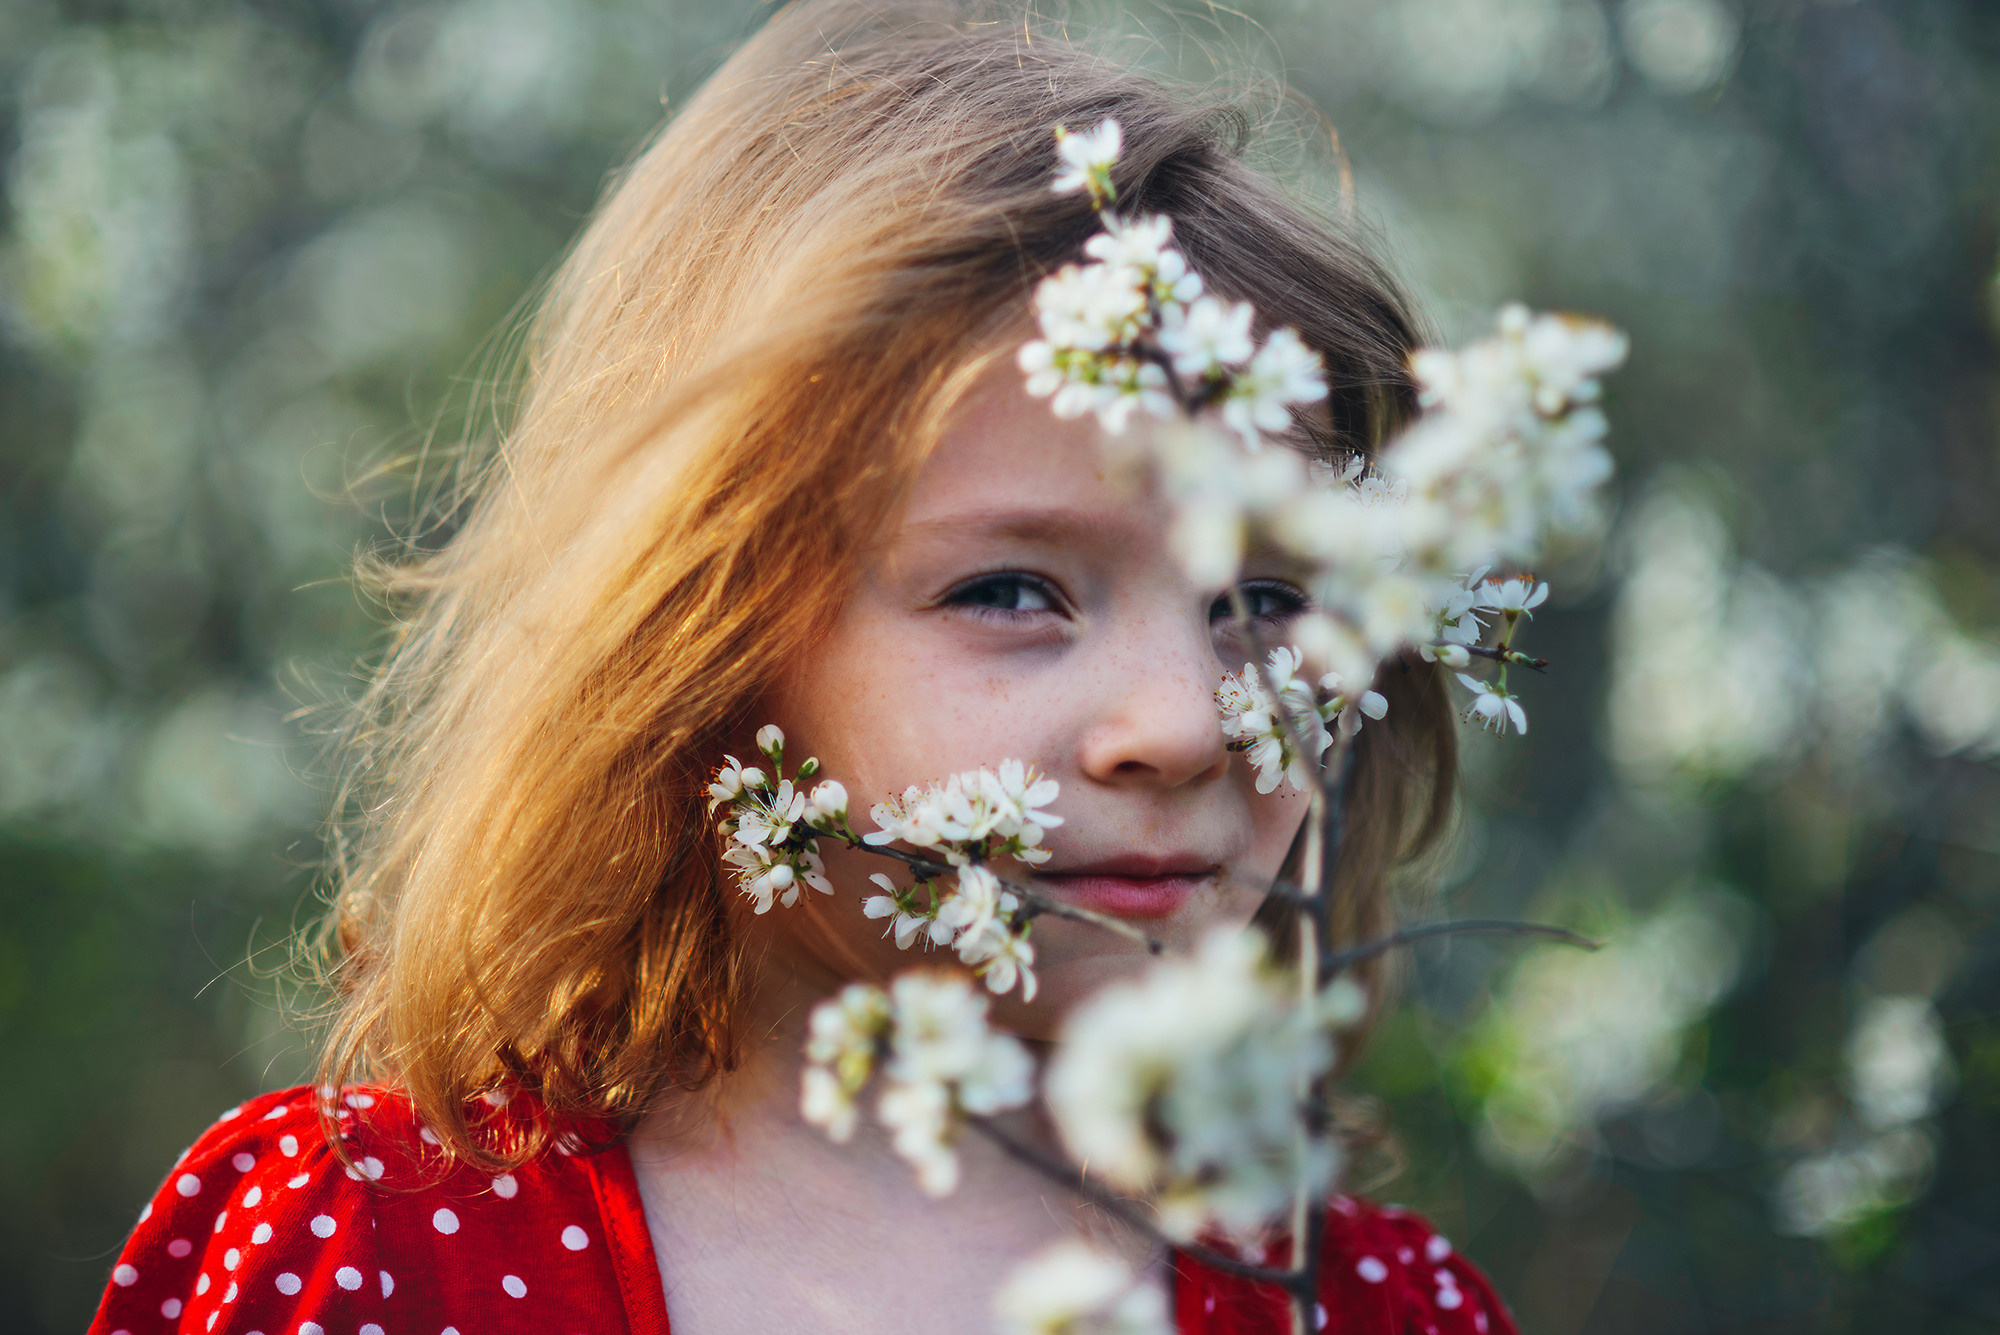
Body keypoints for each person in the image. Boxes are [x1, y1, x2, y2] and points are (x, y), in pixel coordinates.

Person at [90, 2, 1514, 1331]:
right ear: (695, 642)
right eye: (1012, 589)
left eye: (1267, 598)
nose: (1186, 721)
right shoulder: (384, 1249)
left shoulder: (1376, 1308)